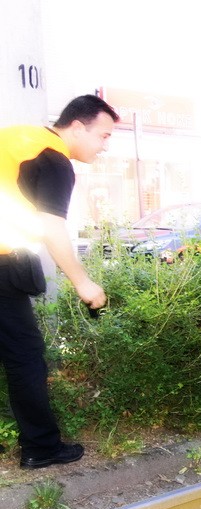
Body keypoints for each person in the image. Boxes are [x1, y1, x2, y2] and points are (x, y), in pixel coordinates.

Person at [0, 94, 117, 469]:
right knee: (25, 358)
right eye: (103, 136)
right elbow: (52, 227)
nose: (104, 147)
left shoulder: (17, 138)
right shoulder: (52, 158)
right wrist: (84, 283)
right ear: (78, 127)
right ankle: (41, 447)